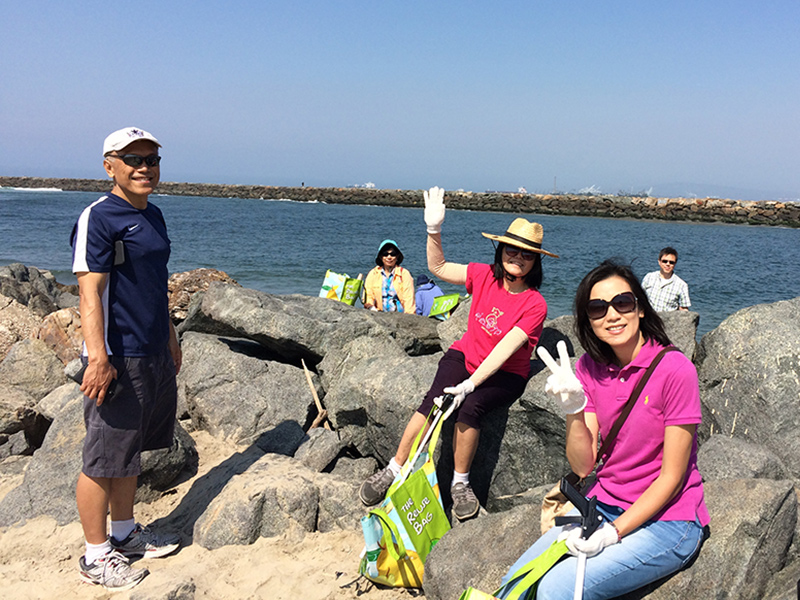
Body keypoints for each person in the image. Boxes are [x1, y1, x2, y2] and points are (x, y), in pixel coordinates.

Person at [499, 260, 708, 600]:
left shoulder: (675, 370)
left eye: (623, 303)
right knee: (516, 584)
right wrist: (574, 409)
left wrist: (613, 533)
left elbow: (672, 477)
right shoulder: (589, 368)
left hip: (668, 521)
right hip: (603, 504)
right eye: (598, 308)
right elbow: (583, 466)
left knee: (556, 590)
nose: (612, 315)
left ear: (640, 308)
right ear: (588, 321)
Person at [359, 187, 558, 520]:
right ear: (501, 249)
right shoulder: (482, 275)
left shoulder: (535, 303)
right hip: (464, 356)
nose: (516, 257)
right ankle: (394, 468)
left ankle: (460, 485)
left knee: (471, 407)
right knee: (433, 402)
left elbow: (506, 349)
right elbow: (438, 267)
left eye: (526, 254)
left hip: (505, 373)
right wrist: (433, 229)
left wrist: (471, 384)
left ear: (535, 260)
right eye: (511, 249)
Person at [70, 127, 182, 590]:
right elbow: (89, 290)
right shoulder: (99, 217)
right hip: (116, 356)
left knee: (129, 453)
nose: (144, 168)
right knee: (103, 457)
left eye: (152, 159)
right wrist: (98, 357)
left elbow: (155, 283)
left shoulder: (153, 215)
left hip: (153, 349)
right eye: (132, 159)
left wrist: (171, 336)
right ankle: (96, 555)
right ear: (108, 165)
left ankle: (125, 532)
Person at [363, 239, 416, 313]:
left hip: (400, 316)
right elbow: (368, 296)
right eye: (385, 254)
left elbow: (409, 298)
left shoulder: (404, 274)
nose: (389, 257)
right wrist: (371, 308)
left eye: (393, 254)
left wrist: (409, 317)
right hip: (379, 314)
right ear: (381, 257)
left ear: (397, 256)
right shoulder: (373, 274)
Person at [641, 247, 691, 312]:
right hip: (648, 318)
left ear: (675, 264)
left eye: (671, 262)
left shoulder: (682, 285)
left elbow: (684, 309)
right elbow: (640, 298)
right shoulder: (649, 277)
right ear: (659, 262)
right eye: (664, 261)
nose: (668, 264)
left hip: (668, 320)